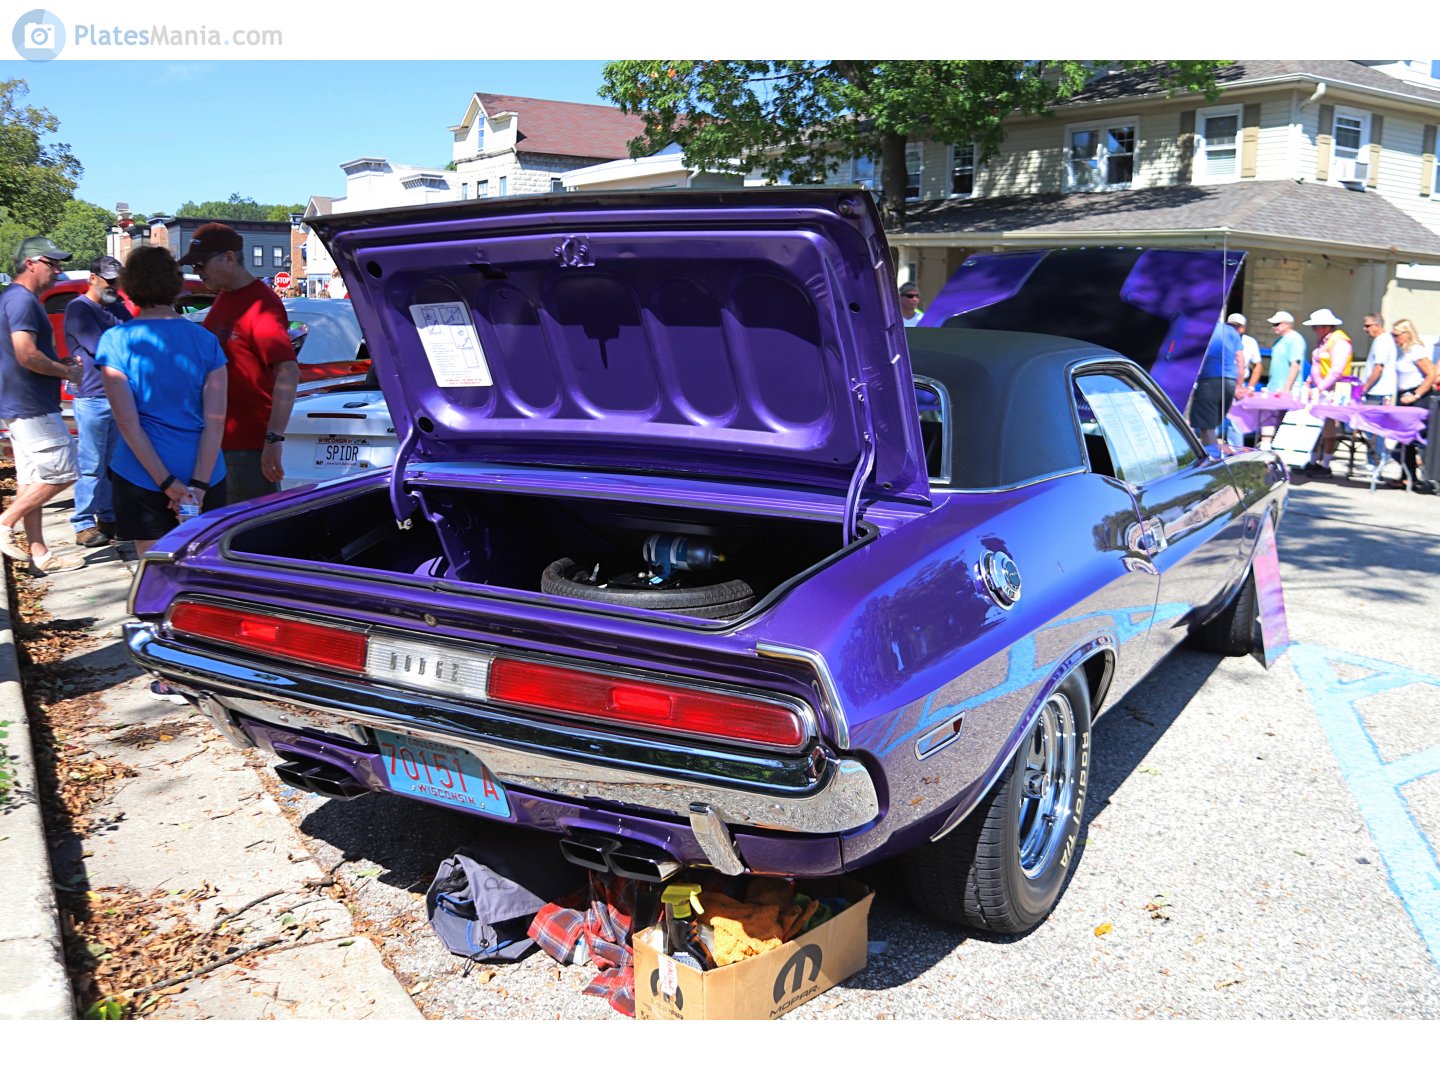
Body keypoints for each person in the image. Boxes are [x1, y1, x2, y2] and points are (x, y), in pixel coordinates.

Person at [96, 246, 229, 557]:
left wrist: (167, 483)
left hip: (141, 474)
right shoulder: (206, 340)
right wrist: (198, 486)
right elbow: (216, 419)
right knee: (203, 565)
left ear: (129, 286)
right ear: (175, 283)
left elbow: (127, 423)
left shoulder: (115, 341)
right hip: (206, 471)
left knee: (153, 571)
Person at [181, 223, 298, 500]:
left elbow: (288, 372)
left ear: (230, 258)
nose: (197, 272)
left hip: (246, 447)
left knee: (248, 535)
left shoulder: (261, 304)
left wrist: (273, 438)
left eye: (200, 265)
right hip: (218, 441)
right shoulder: (225, 297)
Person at [0, 237, 85, 573]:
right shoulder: (23, 301)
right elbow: (26, 353)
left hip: (19, 402)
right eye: (53, 263)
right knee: (66, 471)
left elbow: (27, 353)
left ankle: (41, 556)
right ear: (31, 263)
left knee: (31, 480)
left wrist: (55, 360)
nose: (59, 271)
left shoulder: (11, 298)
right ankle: (5, 522)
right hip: (32, 404)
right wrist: (67, 372)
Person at [64, 255, 132, 547]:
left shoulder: (118, 307)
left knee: (114, 466)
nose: (114, 286)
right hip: (92, 399)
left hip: (118, 398)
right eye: (109, 280)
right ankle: (83, 523)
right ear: (93, 278)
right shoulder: (79, 309)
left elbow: (134, 339)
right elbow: (102, 348)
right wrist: (124, 344)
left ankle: (108, 517)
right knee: (90, 465)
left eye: (118, 281)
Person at [1300, 308, 1353, 475]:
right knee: (1314, 426)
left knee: (1329, 428)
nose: (1314, 330)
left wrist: (1320, 388)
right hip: (1320, 390)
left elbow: (1336, 370)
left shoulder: (1340, 342)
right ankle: (1313, 461)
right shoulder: (1323, 341)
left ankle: (1325, 465)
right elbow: (1316, 365)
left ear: (1325, 326)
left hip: (1333, 391)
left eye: (1315, 327)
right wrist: (1309, 382)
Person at [1391, 318, 1437, 494]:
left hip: (1417, 397)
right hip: (1404, 395)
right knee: (1405, 439)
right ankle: (1407, 475)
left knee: (1417, 438)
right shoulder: (1404, 351)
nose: (1395, 339)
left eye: (1396, 335)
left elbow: (1431, 373)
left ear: (1406, 333)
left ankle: (1425, 476)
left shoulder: (1416, 350)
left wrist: (1416, 394)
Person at [1189, 318, 1244, 444]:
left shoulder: (1204, 329)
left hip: (1210, 380)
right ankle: (1214, 454)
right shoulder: (1232, 332)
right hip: (1230, 381)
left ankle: (1212, 458)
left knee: (1206, 426)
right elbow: (1240, 360)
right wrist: (1239, 386)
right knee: (1214, 423)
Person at [1358, 313, 1398, 469]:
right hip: (1379, 390)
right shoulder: (1383, 340)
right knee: (1374, 427)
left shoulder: (1382, 341)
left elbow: (1378, 368)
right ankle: (1377, 458)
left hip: (1378, 391)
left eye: (1367, 325)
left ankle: (1376, 460)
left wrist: (1365, 387)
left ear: (1377, 325)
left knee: (1373, 428)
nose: (1365, 329)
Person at [1227, 313, 1261, 392]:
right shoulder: (1221, 339)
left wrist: (1250, 387)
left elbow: (1257, 365)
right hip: (1221, 383)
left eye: (1235, 327)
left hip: (1240, 385)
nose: (1232, 329)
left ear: (1243, 328)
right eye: (1229, 326)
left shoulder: (1250, 342)